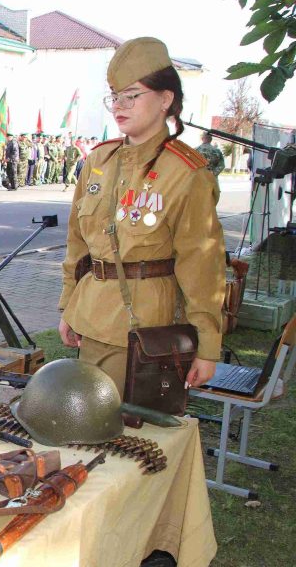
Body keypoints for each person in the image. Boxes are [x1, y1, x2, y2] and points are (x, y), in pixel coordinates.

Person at [58, 36, 225, 396]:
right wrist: (68, 306)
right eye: (115, 96)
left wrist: (208, 346)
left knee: (131, 438)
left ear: (166, 99)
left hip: (146, 331)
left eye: (132, 95)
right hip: (90, 318)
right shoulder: (98, 162)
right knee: (84, 425)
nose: (120, 105)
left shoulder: (185, 173)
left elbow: (202, 265)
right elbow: (77, 244)